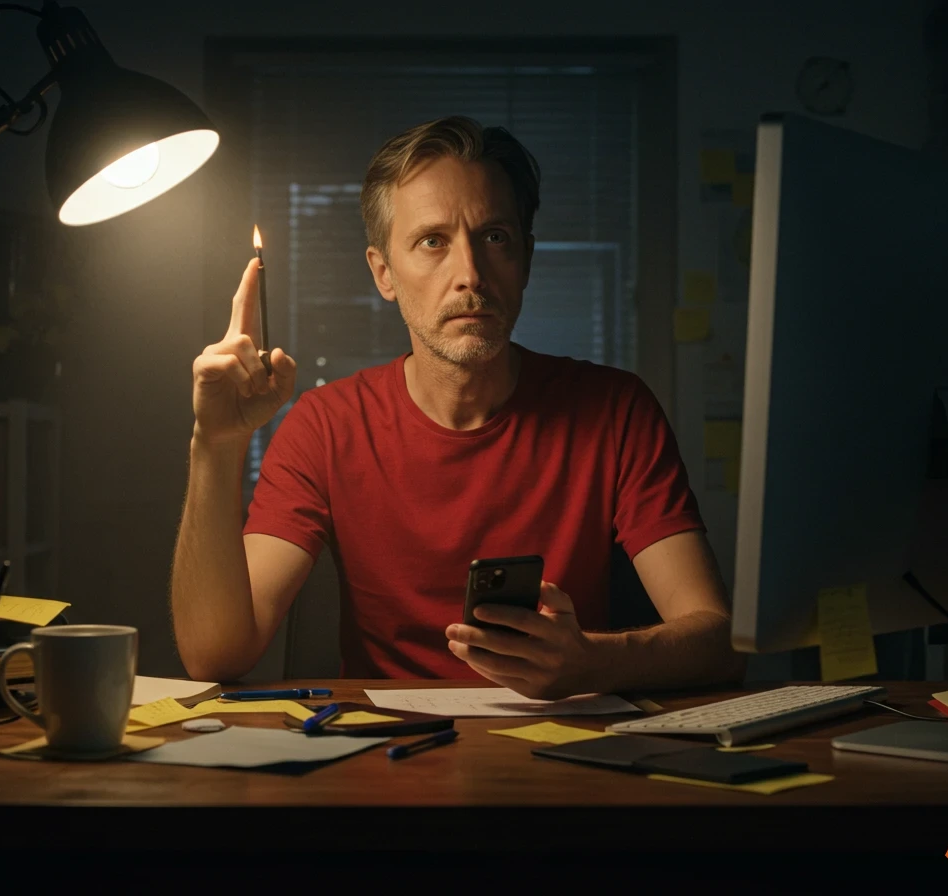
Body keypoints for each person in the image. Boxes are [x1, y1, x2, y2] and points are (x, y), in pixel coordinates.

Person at [171, 116, 744, 699]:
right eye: (432, 242)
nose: (470, 276)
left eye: (494, 237)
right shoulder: (326, 426)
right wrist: (214, 445)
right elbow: (216, 655)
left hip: (569, 751)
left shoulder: (616, 411)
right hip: (387, 761)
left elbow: (719, 640)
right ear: (383, 273)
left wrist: (594, 661)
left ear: (525, 257)